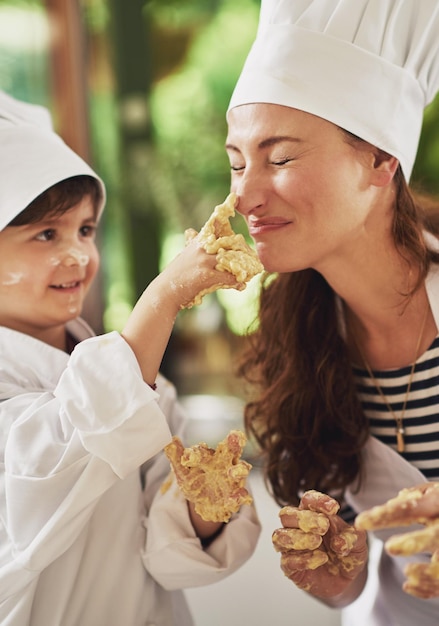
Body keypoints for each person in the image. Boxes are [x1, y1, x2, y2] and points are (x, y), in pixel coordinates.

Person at [0, 90, 261, 626]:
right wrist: (164, 297)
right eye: (46, 233)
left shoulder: (140, 384)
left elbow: (167, 556)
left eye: (86, 230)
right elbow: (54, 457)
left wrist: (203, 505)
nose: (78, 254)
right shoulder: (101, 379)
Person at [224, 0, 439, 624]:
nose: (244, 194)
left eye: (280, 157)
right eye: (237, 162)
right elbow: (353, 582)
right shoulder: (299, 340)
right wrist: (332, 573)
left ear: (381, 160)